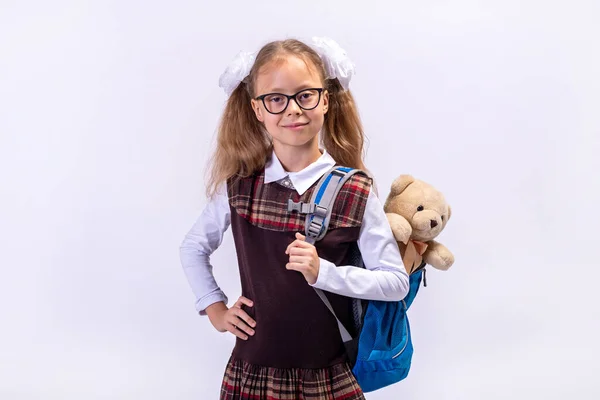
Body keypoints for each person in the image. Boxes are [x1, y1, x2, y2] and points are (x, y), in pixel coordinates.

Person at [179, 37, 409, 399]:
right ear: (257, 109)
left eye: (305, 95)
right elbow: (193, 247)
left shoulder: (355, 191)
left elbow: (396, 282)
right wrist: (216, 309)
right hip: (252, 373)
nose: (292, 110)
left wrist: (324, 273)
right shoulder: (240, 186)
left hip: (327, 377)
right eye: (275, 98)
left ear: (326, 99)